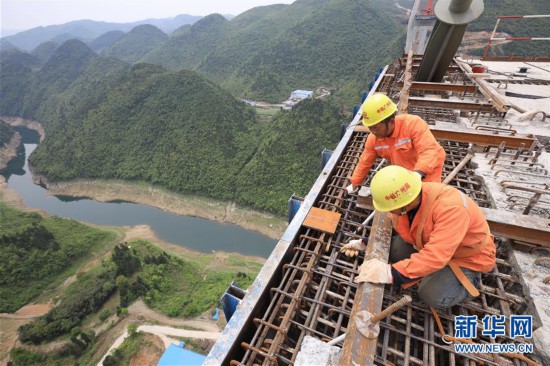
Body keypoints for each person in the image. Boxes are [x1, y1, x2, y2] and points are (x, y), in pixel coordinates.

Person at [342, 165, 496, 308]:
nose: (388, 212)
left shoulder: (451, 209)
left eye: (390, 209)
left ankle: (470, 283)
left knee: (430, 295)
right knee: (395, 252)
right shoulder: (410, 200)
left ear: (404, 206)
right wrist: (364, 243)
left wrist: (390, 273)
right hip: (434, 244)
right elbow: (403, 230)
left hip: (467, 257)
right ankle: (433, 272)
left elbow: (436, 256)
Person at [346, 94, 446, 194]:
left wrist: (418, 173)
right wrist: (355, 183)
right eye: (370, 128)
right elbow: (365, 162)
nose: (373, 132)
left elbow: (429, 151)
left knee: (427, 199)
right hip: (405, 172)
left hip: (428, 171)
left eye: (375, 127)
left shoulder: (413, 124)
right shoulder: (374, 139)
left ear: (391, 121)